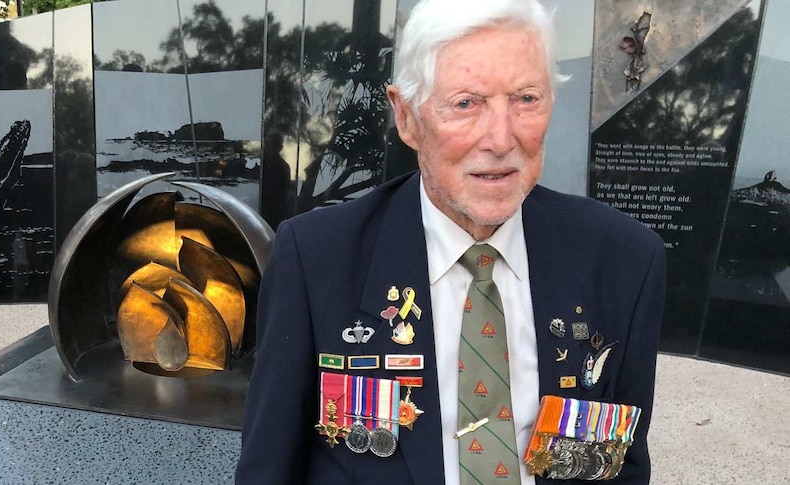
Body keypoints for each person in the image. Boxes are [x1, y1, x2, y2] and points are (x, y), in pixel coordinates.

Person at [235, 0, 665, 484]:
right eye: (466, 103)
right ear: (408, 118)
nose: (501, 139)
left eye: (526, 99)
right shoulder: (317, 260)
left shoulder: (625, 261)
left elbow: (622, 466)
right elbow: (267, 470)